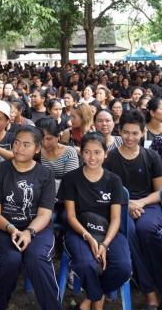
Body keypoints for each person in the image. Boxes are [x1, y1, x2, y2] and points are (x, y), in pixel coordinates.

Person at [0, 126, 61, 310]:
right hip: (3, 228)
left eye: (26, 144)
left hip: (37, 229)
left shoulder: (45, 174)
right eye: (17, 143)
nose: (19, 148)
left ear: (37, 148)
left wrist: (28, 232)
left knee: (37, 258)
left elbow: (44, 214)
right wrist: (11, 229)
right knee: (10, 260)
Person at [58, 132, 131, 310]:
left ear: (105, 154)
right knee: (85, 265)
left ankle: (92, 297)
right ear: (81, 153)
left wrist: (105, 244)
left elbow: (116, 218)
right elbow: (71, 216)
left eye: (97, 152)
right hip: (79, 231)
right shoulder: (71, 179)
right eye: (87, 152)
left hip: (108, 232)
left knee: (123, 268)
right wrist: (88, 237)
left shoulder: (114, 180)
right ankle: (97, 301)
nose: (92, 157)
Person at [104, 110, 162, 309]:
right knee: (130, 233)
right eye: (126, 132)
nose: (130, 137)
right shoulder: (110, 158)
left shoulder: (151, 156)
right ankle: (149, 291)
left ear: (143, 132)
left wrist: (141, 202)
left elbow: (159, 192)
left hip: (148, 205)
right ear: (119, 131)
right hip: (119, 207)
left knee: (147, 230)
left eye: (135, 133)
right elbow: (108, 192)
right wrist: (127, 205)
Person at [35, 117, 79, 194]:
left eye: (49, 139)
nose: (44, 143)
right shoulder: (36, 152)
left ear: (58, 136)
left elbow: (70, 181)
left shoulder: (69, 152)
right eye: (41, 139)